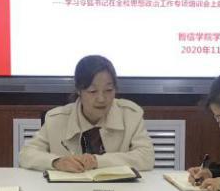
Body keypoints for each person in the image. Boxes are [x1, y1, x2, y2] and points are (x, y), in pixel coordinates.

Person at [18, 54, 155, 173]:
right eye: (92, 91)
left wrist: (97, 161)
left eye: (108, 90)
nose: (101, 99)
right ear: (79, 90)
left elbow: (146, 157)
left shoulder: (131, 115)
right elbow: (26, 154)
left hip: (120, 190)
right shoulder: (56, 119)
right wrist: (56, 162)